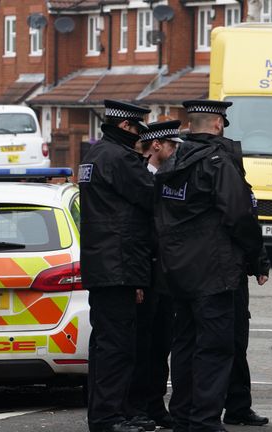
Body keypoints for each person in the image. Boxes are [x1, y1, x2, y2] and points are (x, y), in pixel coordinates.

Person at [154, 100, 264, 432]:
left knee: (185, 345)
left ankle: (184, 415)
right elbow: (239, 215)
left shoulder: (173, 162)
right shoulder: (218, 164)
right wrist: (258, 258)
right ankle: (203, 421)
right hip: (213, 271)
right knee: (215, 348)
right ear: (217, 124)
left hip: (178, 271)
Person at [79, 100, 153, 432]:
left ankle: (106, 414)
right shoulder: (121, 158)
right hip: (119, 263)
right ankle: (108, 419)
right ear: (126, 127)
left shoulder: (94, 154)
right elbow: (151, 197)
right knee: (116, 347)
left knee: (103, 345)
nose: (140, 137)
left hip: (103, 263)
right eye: (138, 130)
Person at [124, 121, 184, 430]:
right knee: (142, 345)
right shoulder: (139, 178)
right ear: (157, 146)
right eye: (172, 145)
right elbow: (138, 232)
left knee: (161, 345)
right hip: (144, 274)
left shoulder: (165, 179)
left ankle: (155, 404)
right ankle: (136, 406)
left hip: (164, 276)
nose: (176, 151)